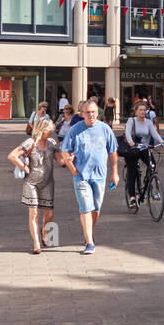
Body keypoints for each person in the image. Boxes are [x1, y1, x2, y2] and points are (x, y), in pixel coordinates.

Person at [56, 100, 119, 254]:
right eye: (87, 112)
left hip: (100, 175)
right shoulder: (75, 130)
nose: (90, 115)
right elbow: (64, 150)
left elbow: (112, 151)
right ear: (82, 113)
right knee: (86, 207)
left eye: (93, 112)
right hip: (81, 175)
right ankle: (89, 242)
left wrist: (115, 172)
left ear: (97, 113)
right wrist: (73, 169)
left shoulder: (105, 129)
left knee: (95, 209)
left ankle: (89, 233)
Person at [10, 118, 58, 253]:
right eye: (50, 128)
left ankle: (45, 233)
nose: (52, 129)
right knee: (34, 212)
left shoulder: (51, 144)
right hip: (31, 183)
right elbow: (12, 155)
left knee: (49, 214)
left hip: (47, 182)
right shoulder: (30, 142)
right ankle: (36, 243)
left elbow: (60, 160)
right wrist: (24, 167)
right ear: (43, 129)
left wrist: (69, 157)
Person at [123, 102, 164, 210]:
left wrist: (161, 141)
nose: (142, 112)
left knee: (152, 165)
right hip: (132, 149)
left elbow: (154, 133)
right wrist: (131, 141)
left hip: (144, 148)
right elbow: (127, 133)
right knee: (132, 172)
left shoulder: (149, 122)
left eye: (144, 110)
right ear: (136, 111)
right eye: (140, 110)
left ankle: (148, 182)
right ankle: (132, 197)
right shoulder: (131, 121)